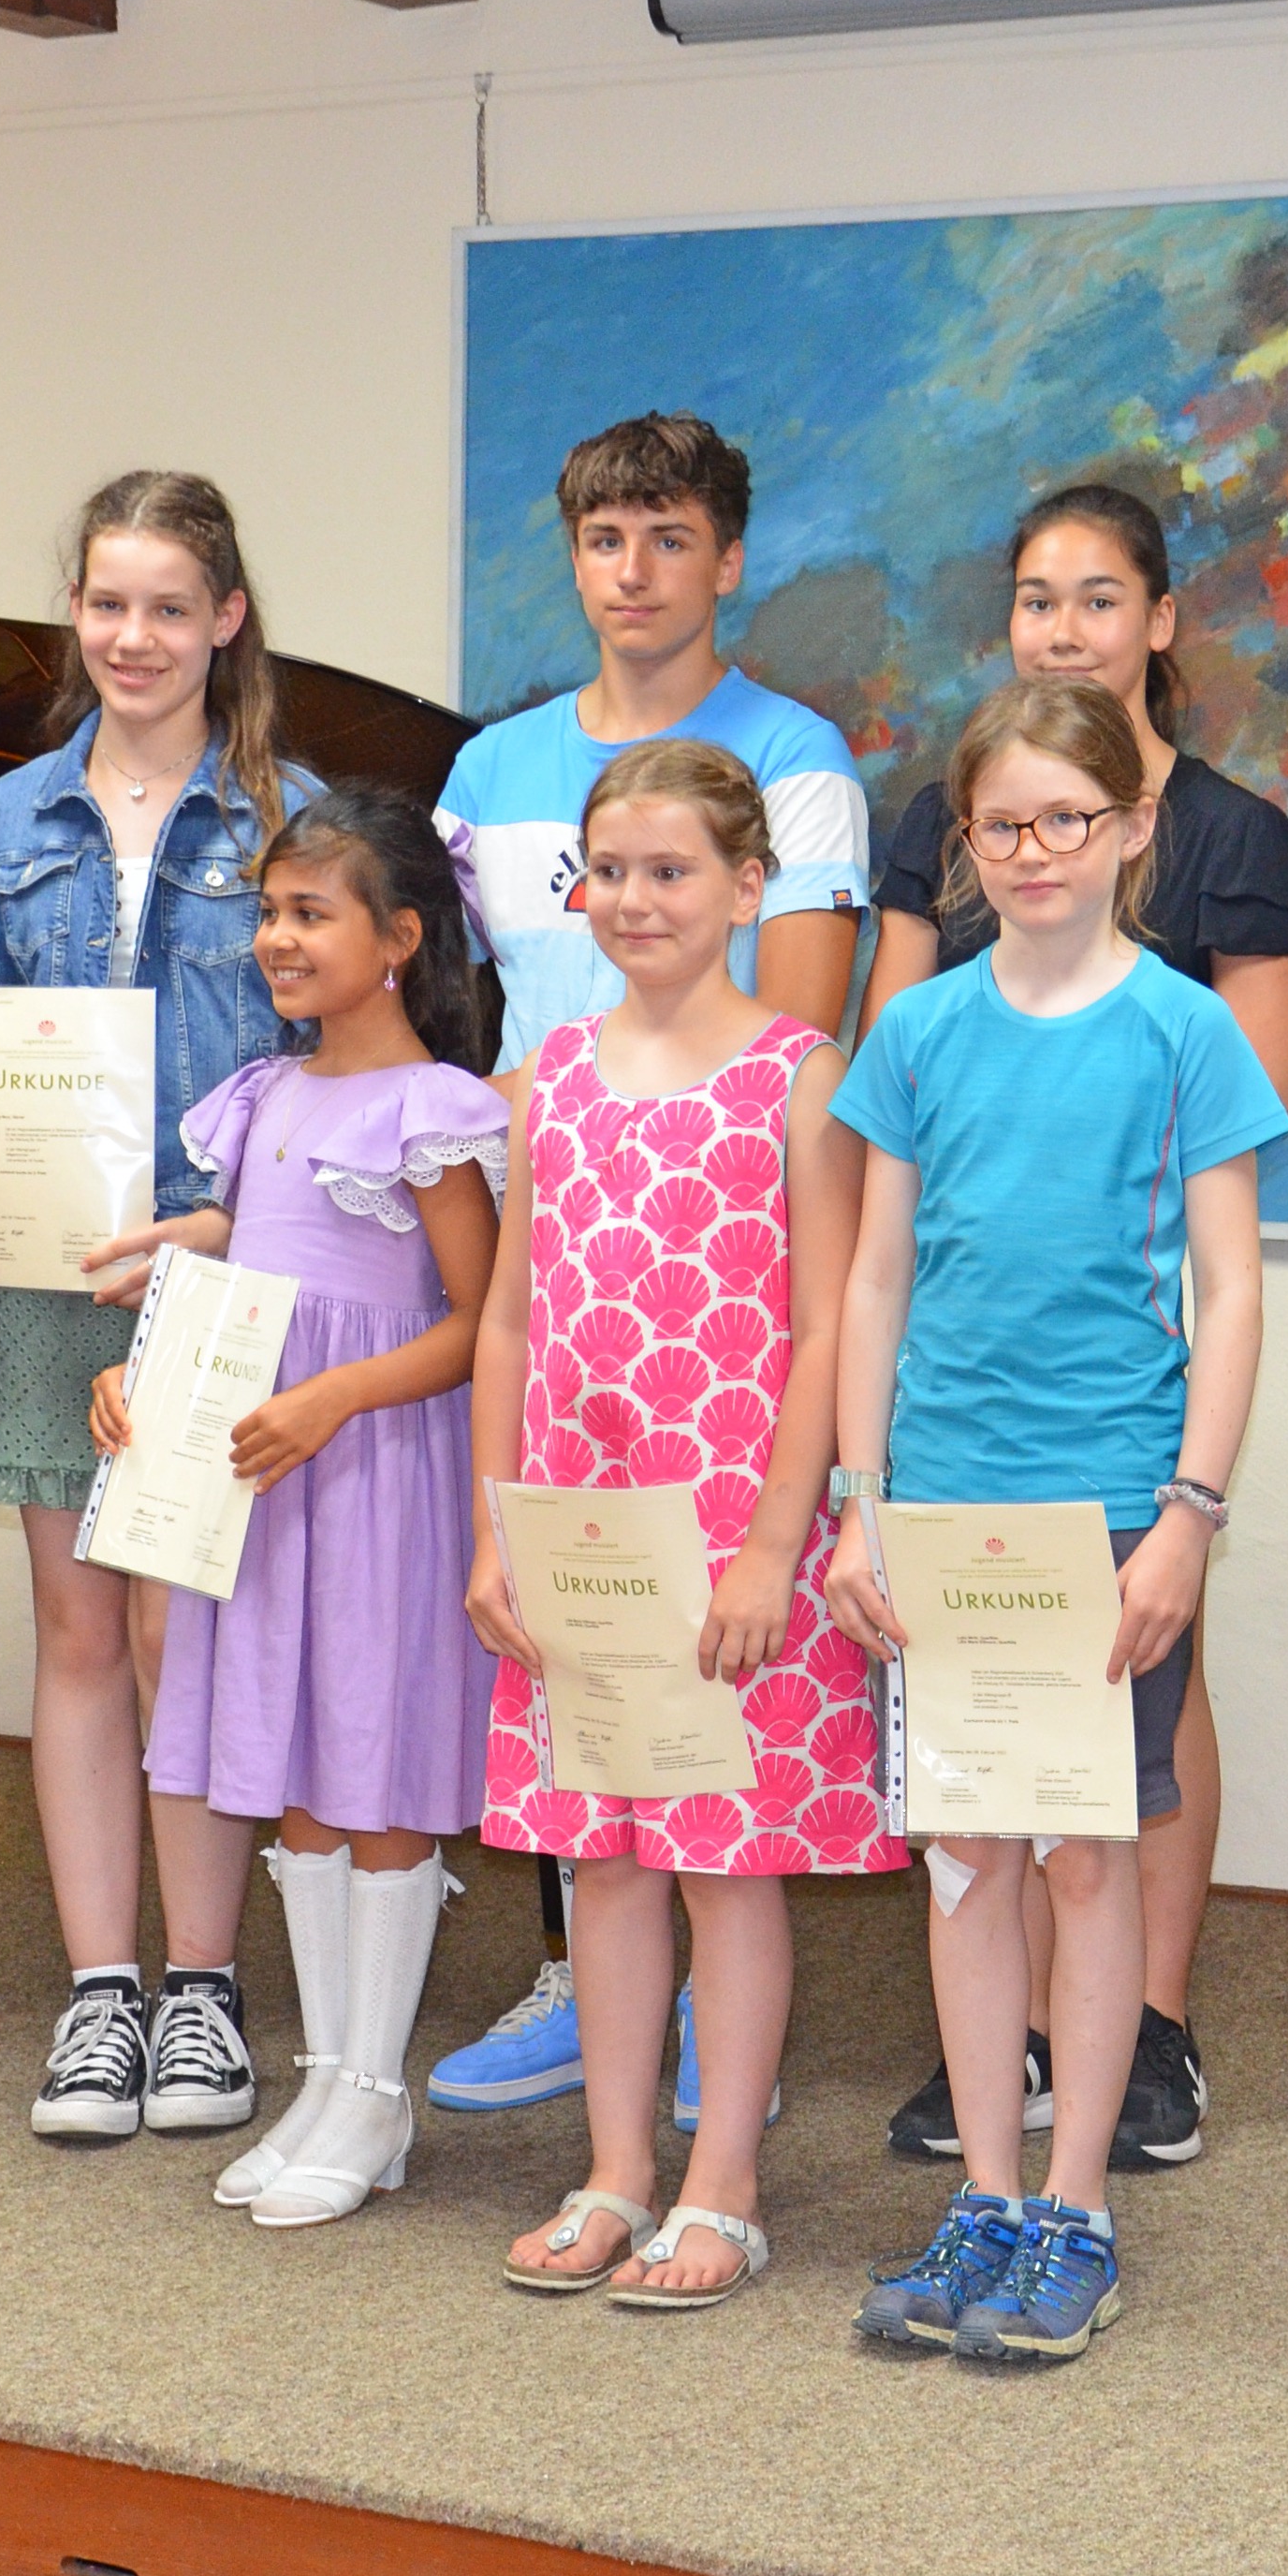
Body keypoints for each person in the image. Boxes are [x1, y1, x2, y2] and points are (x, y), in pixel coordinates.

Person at [827, 677, 1285, 2363]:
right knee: (966, 1862)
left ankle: (1074, 2208)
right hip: (941, 1516)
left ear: (1132, 828)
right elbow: (874, 1278)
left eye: (1066, 820)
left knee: (1089, 1861)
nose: (1034, 852)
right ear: (966, 840)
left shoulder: (1184, 1031)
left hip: (1107, 1513)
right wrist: (858, 1507)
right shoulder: (916, 1032)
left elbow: (1231, 1292)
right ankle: (985, 2197)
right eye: (1002, 825)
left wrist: (1188, 1518)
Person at [429, 411, 870, 2120]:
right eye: (604, 539)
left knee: (722, 1812)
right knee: (596, 1765)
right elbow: (461, 1010)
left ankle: (715, 2080)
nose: (633, 571)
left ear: (725, 557)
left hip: (723, 1311)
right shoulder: (493, 771)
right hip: (569, 1256)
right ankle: (600, 2041)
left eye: (669, 536)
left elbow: (796, 1036)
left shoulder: (798, 760)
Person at [0, 473, 322, 2145]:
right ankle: (100, 1994)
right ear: (72, 615)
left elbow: (330, 1064)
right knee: (77, 1633)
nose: (131, 637)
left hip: (213, 1271)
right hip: (47, 1273)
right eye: (104, 604)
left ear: (226, 617)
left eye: (166, 606)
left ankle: (204, 1987)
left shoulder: (289, 818)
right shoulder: (11, 813)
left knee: (182, 1636)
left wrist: (234, 1217)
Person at [471, 741, 889, 2310]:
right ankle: (613, 2170)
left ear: (746, 886)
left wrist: (777, 1545)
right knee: (604, 1863)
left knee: (725, 1863)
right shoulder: (552, 1076)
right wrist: (495, 1531)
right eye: (609, 870)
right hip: (581, 1524)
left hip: (728, 1534)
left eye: (671, 870)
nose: (634, 898)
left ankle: (722, 2185)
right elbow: (508, 1319)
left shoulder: (799, 1073)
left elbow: (827, 1322)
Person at [86, 786, 508, 2229]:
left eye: (309, 912)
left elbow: (480, 1322)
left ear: (399, 938)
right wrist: (142, 1371)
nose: (275, 936)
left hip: (375, 1471)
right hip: (261, 1484)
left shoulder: (433, 1110)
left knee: (373, 1780)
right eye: (268, 910)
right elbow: (236, 1278)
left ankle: (378, 2085)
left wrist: (336, 1398)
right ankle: (332, 2082)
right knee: (302, 1780)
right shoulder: (265, 1096)